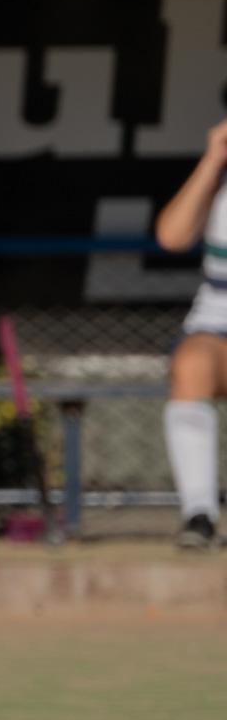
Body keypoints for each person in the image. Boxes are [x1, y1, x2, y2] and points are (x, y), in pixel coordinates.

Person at [156, 117, 227, 549]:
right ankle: (199, 515)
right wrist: (213, 158)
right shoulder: (220, 175)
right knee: (191, 363)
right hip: (218, 323)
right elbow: (172, 235)